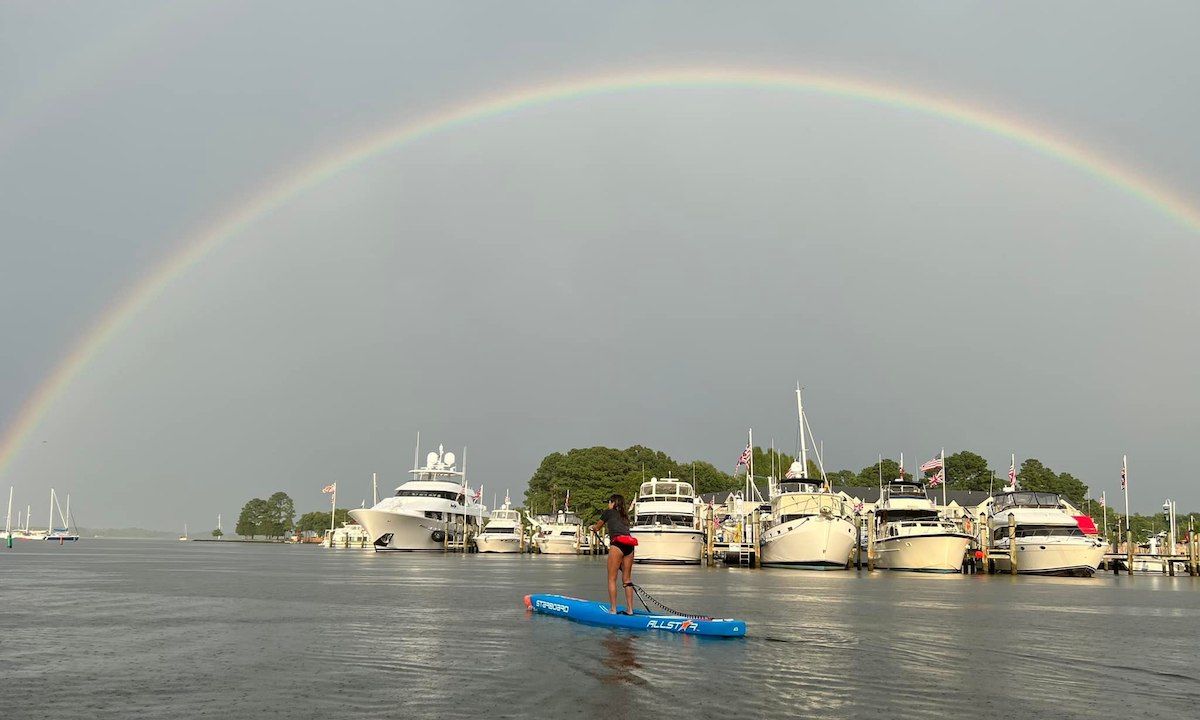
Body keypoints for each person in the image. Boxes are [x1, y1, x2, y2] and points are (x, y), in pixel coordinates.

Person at [592, 493, 637, 614]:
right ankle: (630, 610)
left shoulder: (608, 512)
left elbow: (597, 527)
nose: (608, 504)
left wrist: (593, 528)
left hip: (617, 545)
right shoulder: (625, 516)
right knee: (627, 580)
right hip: (630, 546)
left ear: (612, 503)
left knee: (612, 579)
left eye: (609, 502)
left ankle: (613, 609)